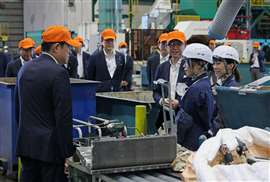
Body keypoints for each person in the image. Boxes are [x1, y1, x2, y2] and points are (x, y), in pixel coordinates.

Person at [16, 25, 77, 182]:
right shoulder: (59, 73)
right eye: (68, 47)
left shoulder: (24, 69)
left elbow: (19, 109)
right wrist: (67, 154)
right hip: (50, 153)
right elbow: (63, 118)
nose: (69, 52)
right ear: (57, 47)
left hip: (27, 147)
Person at [176, 43, 214, 151]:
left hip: (190, 143)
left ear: (199, 64)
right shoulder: (205, 84)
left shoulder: (196, 89)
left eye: (187, 62)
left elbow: (184, 121)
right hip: (201, 140)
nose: (184, 66)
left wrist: (175, 141)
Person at [153, 31, 187, 130]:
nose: (175, 48)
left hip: (182, 115)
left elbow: (191, 94)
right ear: (167, 47)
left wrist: (179, 103)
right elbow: (155, 91)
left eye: (178, 44)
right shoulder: (161, 67)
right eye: (171, 44)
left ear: (184, 45)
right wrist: (161, 101)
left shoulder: (189, 67)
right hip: (164, 115)